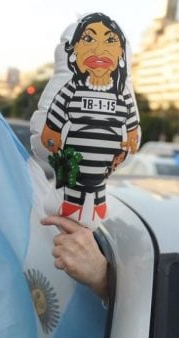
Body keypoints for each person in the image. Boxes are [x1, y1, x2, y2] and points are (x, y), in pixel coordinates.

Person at [40, 12, 140, 223]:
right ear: (74, 51)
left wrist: (131, 133)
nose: (99, 48)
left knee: (96, 184)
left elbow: (130, 116)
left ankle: (96, 206)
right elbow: (58, 109)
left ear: (121, 56)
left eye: (110, 41)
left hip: (106, 163)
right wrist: (52, 129)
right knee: (76, 182)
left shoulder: (121, 93)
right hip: (74, 159)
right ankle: (71, 204)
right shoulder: (72, 88)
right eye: (88, 39)